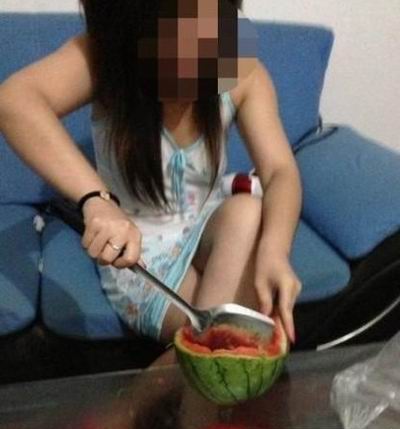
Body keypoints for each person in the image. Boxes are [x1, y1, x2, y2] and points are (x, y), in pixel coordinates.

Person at [0, 0, 302, 352]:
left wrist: (276, 250)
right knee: (224, 330)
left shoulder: (239, 68)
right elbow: (14, 101)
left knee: (248, 210)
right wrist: (97, 200)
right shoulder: (104, 58)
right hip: (140, 253)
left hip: (209, 226)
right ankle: (200, 365)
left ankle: (190, 367)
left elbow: (280, 171)